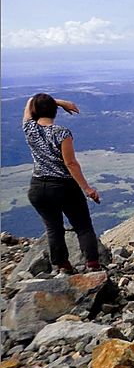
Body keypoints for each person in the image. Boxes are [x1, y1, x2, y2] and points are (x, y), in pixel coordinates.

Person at [22, 93, 102, 273]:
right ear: (54, 111)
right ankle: (93, 265)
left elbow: (29, 102)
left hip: (37, 187)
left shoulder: (29, 129)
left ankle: (63, 266)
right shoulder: (62, 133)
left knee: (53, 228)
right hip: (63, 186)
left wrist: (55, 103)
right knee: (83, 226)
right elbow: (70, 163)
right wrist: (87, 188)